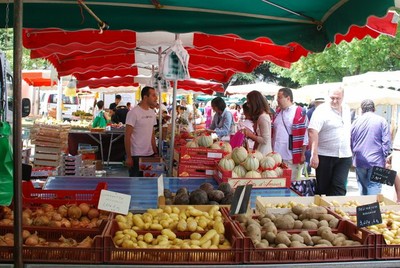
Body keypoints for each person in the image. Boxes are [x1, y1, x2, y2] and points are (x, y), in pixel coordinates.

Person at [308, 87, 352, 196]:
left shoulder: (346, 109)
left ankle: (337, 211)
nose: (335, 101)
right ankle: (324, 211)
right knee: (324, 189)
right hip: (325, 155)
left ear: (343, 98)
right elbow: (313, 131)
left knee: (339, 187)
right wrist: (314, 154)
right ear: (328, 97)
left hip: (344, 155)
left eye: (338, 98)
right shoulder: (321, 110)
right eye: (332, 98)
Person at [351, 99, 391, 195]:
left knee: (362, 187)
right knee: (375, 186)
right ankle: (372, 208)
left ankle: (364, 208)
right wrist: (386, 157)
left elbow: (351, 140)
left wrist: (353, 154)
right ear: (374, 109)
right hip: (377, 160)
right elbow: (386, 142)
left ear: (361, 110)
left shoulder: (355, 122)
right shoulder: (382, 121)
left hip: (359, 160)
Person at [272, 88, 308, 180]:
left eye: (279, 98)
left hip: (290, 156)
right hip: (275, 157)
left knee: (290, 183)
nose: (277, 100)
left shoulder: (300, 112)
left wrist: (303, 154)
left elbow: (306, 136)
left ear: (288, 98)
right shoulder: (277, 112)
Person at [125, 86, 158, 177]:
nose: (156, 98)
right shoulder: (133, 113)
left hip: (149, 154)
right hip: (136, 155)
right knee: (136, 184)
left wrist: (155, 152)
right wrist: (128, 156)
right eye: (153, 95)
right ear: (145, 97)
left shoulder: (152, 113)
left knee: (148, 184)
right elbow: (127, 136)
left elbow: (152, 134)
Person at [243, 90, 272, 155]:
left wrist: (250, 134)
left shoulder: (263, 117)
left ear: (254, 103)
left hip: (263, 153)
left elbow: (265, 140)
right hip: (260, 152)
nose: (248, 105)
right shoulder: (261, 116)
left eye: (249, 103)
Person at [304, 97, 325, 175]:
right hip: (312, 137)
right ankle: (306, 170)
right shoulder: (311, 112)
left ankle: (307, 170)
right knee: (310, 154)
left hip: (319, 138)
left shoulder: (314, 111)